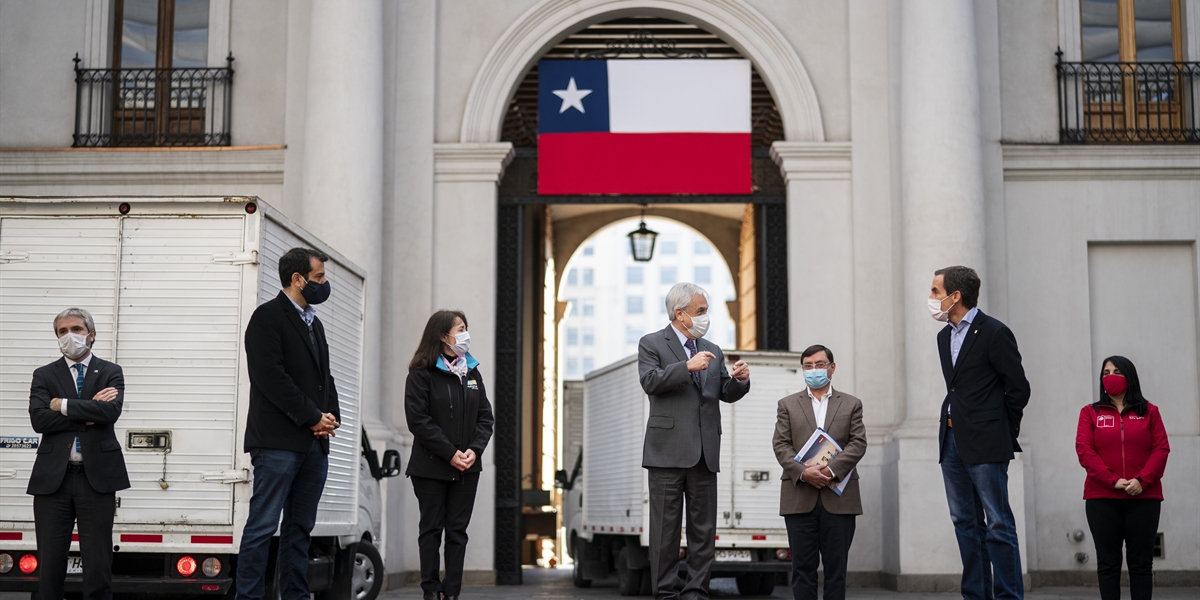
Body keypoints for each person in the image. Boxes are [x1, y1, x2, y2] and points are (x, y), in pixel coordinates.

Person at [237, 247, 341, 600]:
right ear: (297, 279)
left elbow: (323, 378)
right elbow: (271, 378)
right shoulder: (267, 318)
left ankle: (295, 595)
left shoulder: (314, 322)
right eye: (319, 278)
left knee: (300, 530)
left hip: (313, 444)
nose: (324, 284)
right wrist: (313, 417)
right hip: (278, 443)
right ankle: (248, 596)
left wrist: (330, 419)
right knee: (263, 526)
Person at [638, 282, 750, 599]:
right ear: (680, 313)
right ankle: (666, 593)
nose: (705, 316)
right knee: (665, 533)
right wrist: (686, 366)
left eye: (705, 310)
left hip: (704, 453)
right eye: (700, 311)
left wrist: (741, 380)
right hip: (666, 454)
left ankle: (696, 592)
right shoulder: (651, 343)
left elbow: (724, 392)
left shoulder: (712, 348)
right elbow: (650, 381)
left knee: (703, 531)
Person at [930, 265, 1031, 600]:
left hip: (987, 441)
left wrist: (1001, 429)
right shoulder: (944, 336)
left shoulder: (994, 332)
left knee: (998, 524)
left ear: (955, 296)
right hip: (952, 441)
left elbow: (1018, 388)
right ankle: (976, 595)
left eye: (935, 291)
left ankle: (1008, 596)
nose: (931, 298)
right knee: (964, 523)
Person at [27, 308, 130, 600]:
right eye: (62, 331)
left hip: (95, 480)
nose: (69, 336)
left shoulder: (111, 371)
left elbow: (110, 412)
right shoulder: (44, 374)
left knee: (98, 565)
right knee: (49, 566)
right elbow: (39, 420)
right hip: (53, 482)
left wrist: (61, 404)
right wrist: (87, 409)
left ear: (91, 335)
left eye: (76, 329)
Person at [404, 310, 495, 600]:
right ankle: (431, 589)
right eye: (460, 329)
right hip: (430, 467)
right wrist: (450, 453)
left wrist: (473, 451)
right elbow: (418, 421)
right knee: (431, 529)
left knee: (458, 532)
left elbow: (485, 418)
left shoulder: (472, 372)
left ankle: (452, 591)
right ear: (444, 336)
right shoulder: (421, 373)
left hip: (467, 468)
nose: (466, 334)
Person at [772, 345, 867, 600]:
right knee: (802, 569)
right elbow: (780, 445)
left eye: (820, 364)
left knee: (836, 572)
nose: (814, 370)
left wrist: (832, 469)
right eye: (808, 366)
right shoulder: (788, 405)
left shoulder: (851, 404)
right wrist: (804, 472)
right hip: (799, 497)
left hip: (839, 498)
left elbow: (858, 443)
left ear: (832, 368)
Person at [1075, 356, 1170, 600]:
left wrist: (1142, 480)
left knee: (1141, 565)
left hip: (1144, 497)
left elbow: (1160, 448)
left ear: (1130, 376)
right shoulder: (1090, 413)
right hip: (1102, 499)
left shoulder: (1150, 412)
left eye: (1116, 371)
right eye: (1105, 372)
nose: (1110, 376)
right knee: (1108, 565)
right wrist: (1112, 480)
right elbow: (1085, 451)